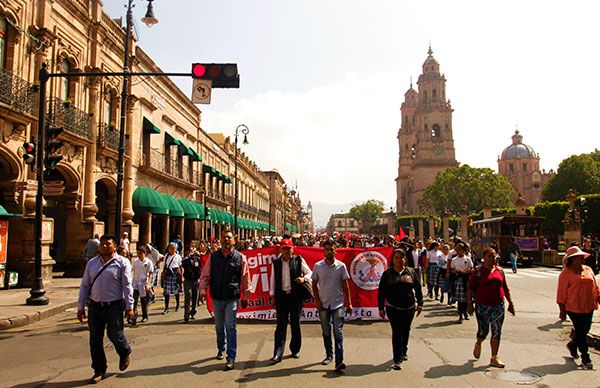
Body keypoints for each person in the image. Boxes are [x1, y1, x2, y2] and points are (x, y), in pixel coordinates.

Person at [77, 234, 134, 384]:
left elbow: (127, 286)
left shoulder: (122, 263)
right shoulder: (92, 263)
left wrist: (130, 307)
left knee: (115, 334)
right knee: (95, 339)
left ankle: (124, 351)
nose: (104, 246)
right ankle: (99, 370)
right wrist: (80, 306)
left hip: (114, 305)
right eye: (102, 244)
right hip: (95, 305)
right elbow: (85, 285)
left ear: (115, 246)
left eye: (108, 244)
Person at [200, 230, 251, 370]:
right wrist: (203, 290)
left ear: (234, 240)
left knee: (230, 326)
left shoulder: (240, 258)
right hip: (217, 297)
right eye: (224, 238)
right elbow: (205, 275)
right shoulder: (213, 257)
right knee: (219, 326)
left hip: (231, 297)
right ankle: (221, 347)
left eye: (229, 237)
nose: (226, 240)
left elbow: (246, 278)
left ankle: (231, 357)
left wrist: (246, 296)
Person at [467, 247, 515, 368]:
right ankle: (479, 342)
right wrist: (469, 305)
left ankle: (494, 357)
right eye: (489, 256)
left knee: (496, 331)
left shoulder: (500, 271)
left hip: (498, 306)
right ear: (484, 257)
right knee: (484, 331)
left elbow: (505, 287)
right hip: (482, 306)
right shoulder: (478, 271)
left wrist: (511, 303)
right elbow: (470, 289)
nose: (492, 259)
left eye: (493, 256)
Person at [378, 249, 423, 370]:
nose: (399, 260)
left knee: (406, 329)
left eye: (401, 258)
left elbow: (418, 288)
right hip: (393, 307)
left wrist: (420, 304)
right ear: (392, 260)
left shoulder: (411, 272)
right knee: (397, 332)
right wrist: (381, 308)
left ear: (405, 259)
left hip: (409, 307)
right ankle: (397, 359)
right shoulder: (387, 273)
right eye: (396, 258)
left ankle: (404, 350)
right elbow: (381, 291)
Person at [311, 240, 353, 371]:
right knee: (326, 331)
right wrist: (317, 300)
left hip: (338, 304)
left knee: (338, 332)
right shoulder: (318, 266)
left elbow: (346, 285)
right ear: (324, 251)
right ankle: (329, 355)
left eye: (331, 249)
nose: (329, 251)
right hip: (323, 304)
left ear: (335, 250)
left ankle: (339, 361)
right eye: (327, 249)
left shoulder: (341, 266)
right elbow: (314, 283)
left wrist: (349, 302)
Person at [269, 238, 312, 363]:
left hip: (295, 297)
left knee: (295, 324)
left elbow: (310, 272)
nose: (287, 251)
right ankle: (278, 352)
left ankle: (295, 349)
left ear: (293, 249)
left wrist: (304, 279)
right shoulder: (276, 262)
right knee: (280, 326)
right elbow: (273, 280)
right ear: (281, 250)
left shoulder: (298, 260)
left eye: (289, 248)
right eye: (284, 249)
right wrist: (272, 296)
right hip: (281, 297)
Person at [557, 246, 600, 369]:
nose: (582, 259)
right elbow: (561, 293)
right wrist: (562, 311)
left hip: (588, 305)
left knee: (584, 330)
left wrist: (598, 297)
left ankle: (572, 345)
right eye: (579, 257)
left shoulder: (588, 270)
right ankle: (585, 357)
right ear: (572, 259)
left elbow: (595, 287)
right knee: (581, 332)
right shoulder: (565, 274)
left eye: (582, 257)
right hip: (573, 307)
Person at [451, 242, 473, 323]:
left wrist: (465, 271)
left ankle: (465, 312)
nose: (458, 251)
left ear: (463, 250)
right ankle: (460, 315)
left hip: (466, 280)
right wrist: (456, 271)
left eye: (459, 250)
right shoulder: (454, 259)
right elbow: (452, 269)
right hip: (458, 280)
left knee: (466, 298)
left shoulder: (467, 259)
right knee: (460, 300)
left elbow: (472, 269)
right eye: (457, 250)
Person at [131, 246, 154, 324]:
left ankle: (145, 316)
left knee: (144, 302)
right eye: (138, 253)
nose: (139, 255)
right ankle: (134, 316)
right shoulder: (135, 262)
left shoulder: (148, 262)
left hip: (144, 284)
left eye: (141, 253)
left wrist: (148, 284)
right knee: (134, 301)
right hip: (135, 283)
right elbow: (134, 271)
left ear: (145, 253)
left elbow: (151, 273)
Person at [181, 244, 202, 323]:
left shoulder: (197, 259)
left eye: (191, 250)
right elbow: (181, 267)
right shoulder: (184, 260)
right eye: (189, 251)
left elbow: (200, 268)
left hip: (195, 280)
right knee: (188, 296)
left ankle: (193, 310)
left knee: (195, 296)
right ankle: (186, 315)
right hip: (187, 280)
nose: (190, 252)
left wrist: (200, 278)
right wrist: (182, 276)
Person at [161, 242, 182, 314]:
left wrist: (181, 276)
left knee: (176, 291)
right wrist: (163, 273)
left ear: (176, 249)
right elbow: (164, 265)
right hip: (167, 274)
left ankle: (178, 305)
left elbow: (180, 267)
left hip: (175, 274)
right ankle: (166, 308)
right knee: (166, 292)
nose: (172, 250)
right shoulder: (166, 256)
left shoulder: (178, 256)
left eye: (173, 248)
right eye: (170, 248)